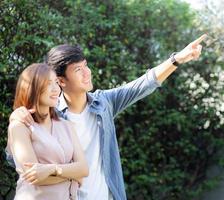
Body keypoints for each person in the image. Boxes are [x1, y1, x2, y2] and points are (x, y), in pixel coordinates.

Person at [9, 34, 207, 200]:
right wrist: (18, 118)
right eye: (78, 70)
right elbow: (16, 158)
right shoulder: (52, 116)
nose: (87, 73)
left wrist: (176, 59)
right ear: (60, 80)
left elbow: (143, 84)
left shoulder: (104, 104)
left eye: (86, 65)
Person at [7, 63, 89, 200]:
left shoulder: (66, 125)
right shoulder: (20, 126)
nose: (56, 89)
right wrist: (72, 175)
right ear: (32, 88)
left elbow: (84, 169)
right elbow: (34, 176)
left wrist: (52, 169)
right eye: (48, 83)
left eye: (56, 83)